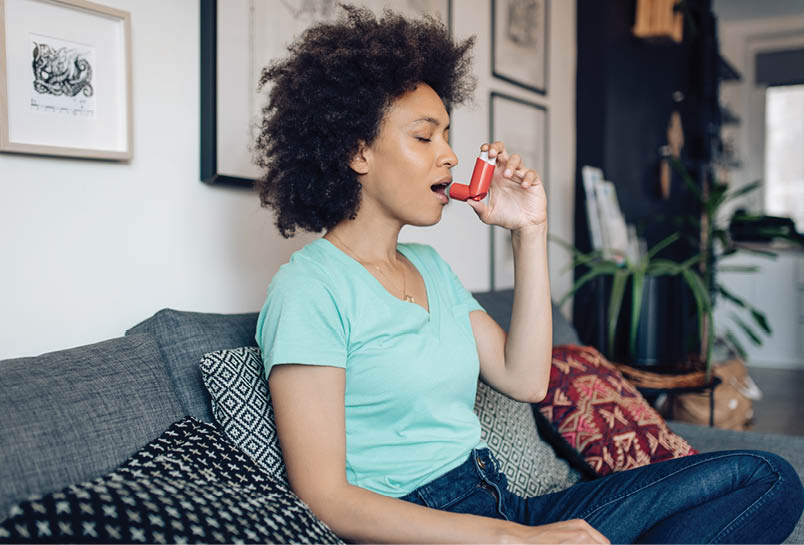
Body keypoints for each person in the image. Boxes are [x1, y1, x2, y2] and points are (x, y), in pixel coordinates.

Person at [253, 5, 804, 543]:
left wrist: (529, 231)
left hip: (500, 503)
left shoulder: (430, 267)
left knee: (766, 478)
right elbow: (325, 498)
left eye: (448, 134)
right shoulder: (309, 289)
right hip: (429, 529)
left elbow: (526, 379)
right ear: (357, 153)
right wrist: (507, 540)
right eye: (425, 137)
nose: (449, 156)